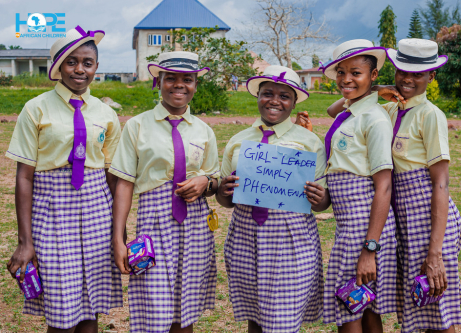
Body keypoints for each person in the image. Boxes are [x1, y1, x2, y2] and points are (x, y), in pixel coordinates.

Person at [326, 38, 461, 333]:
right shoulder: (389, 109)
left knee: (437, 305)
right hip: (401, 220)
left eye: (418, 74)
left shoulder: (430, 115)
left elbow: (440, 185)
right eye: (402, 71)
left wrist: (435, 252)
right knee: (418, 303)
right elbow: (333, 110)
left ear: (431, 76)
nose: (407, 79)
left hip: (429, 218)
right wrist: (374, 89)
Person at [5, 25, 123, 332]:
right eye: (71, 61)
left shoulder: (106, 114)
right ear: (58, 66)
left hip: (97, 209)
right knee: (61, 308)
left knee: (90, 306)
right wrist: (25, 241)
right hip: (52, 210)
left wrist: (118, 231)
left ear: (96, 67)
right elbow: (24, 177)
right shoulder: (36, 109)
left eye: (87, 62)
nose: (79, 69)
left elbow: (112, 175)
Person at [110, 51, 220, 333]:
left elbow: (214, 178)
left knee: (186, 306)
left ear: (196, 84)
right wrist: (118, 237)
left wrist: (205, 182)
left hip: (195, 222)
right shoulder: (136, 126)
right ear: (157, 82)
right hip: (154, 220)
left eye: (188, 79)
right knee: (153, 301)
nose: (179, 85)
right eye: (170, 78)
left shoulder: (204, 130)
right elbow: (124, 183)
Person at [216, 65, 329, 333]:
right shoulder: (238, 141)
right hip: (245, 235)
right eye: (267, 93)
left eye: (284, 96)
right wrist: (224, 191)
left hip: (290, 238)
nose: (274, 101)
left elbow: (323, 203)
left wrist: (319, 198)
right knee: (255, 315)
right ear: (257, 97)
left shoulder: (309, 143)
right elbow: (225, 201)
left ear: (293, 103)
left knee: (282, 320)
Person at [319, 39, 398, 333]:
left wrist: (370, 249)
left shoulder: (374, 119)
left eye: (356, 73)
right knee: (365, 308)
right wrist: (369, 89)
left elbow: (384, 187)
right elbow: (331, 109)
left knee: (348, 309)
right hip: (350, 223)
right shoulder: (351, 112)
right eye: (341, 72)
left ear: (374, 74)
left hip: (365, 226)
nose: (346, 80)